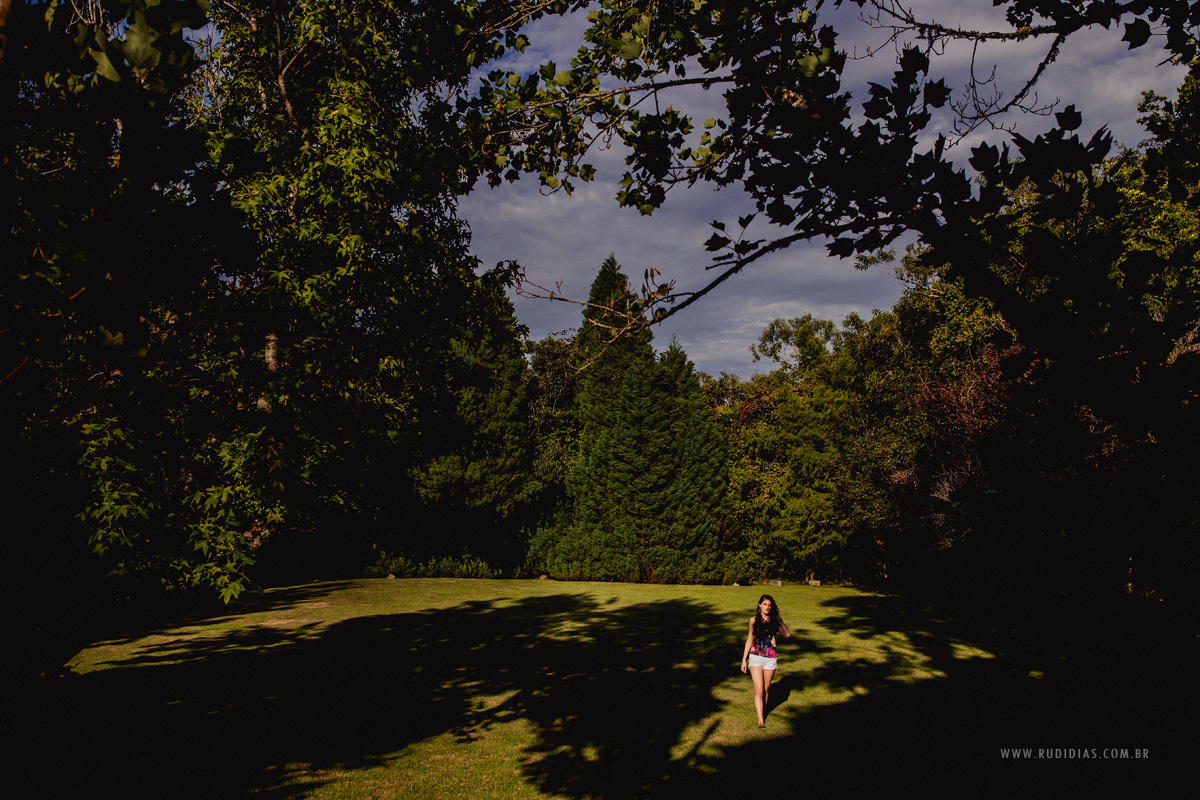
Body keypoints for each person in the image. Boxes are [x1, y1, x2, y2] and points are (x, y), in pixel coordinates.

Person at [740, 593, 791, 728]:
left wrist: (780, 619)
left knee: (767, 688)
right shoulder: (753, 620)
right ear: (759, 605)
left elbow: (787, 634)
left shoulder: (774, 621)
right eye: (764, 604)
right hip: (755, 656)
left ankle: (764, 709)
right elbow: (749, 639)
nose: (767, 607)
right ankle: (761, 719)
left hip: (770, 658)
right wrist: (744, 659)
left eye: (769, 605)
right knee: (759, 688)